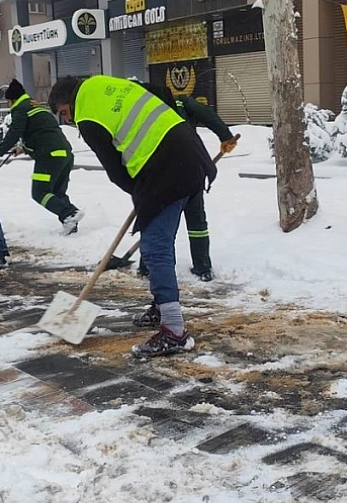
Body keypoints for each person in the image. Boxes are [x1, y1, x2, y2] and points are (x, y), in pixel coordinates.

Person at [48, 75, 216, 358]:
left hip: (167, 166)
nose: (68, 120)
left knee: (155, 247)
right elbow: (159, 91)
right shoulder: (103, 84)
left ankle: (174, 331)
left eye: (64, 113)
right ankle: (162, 307)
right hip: (189, 149)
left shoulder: (87, 114)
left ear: (70, 101)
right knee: (161, 242)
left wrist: (141, 193)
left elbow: (115, 171)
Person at [135, 83, 238, 282]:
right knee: (196, 220)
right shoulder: (182, 102)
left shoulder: (146, 112)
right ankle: (203, 267)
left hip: (164, 176)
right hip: (193, 169)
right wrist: (225, 136)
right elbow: (208, 115)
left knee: (158, 220)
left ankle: (148, 267)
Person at [0, 78, 84, 235]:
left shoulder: (20, 108)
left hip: (48, 156)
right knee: (56, 193)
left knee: (39, 192)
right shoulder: (35, 106)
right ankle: (70, 224)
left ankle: (69, 213)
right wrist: (23, 148)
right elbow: (41, 132)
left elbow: (15, 132)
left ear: (12, 100)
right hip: (64, 154)